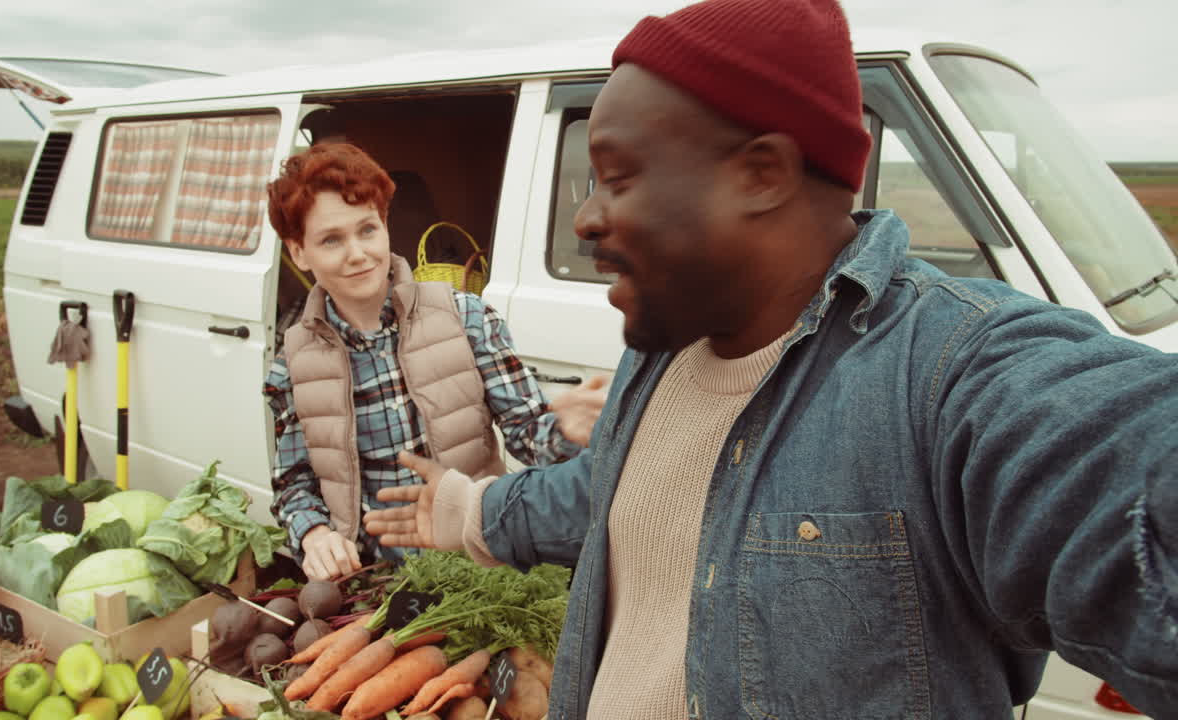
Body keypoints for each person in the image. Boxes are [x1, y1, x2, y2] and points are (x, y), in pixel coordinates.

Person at [361, 1, 1178, 718]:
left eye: (617, 177)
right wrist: (474, 511)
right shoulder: (669, 346)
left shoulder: (947, 373)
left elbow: (1116, 471)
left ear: (761, 175)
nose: (586, 218)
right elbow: (621, 495)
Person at [263, 142, 606, 581]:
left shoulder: (466, 318)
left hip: (478, 570)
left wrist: (566, 431)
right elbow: (293, 482)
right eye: (331, 240)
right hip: (374, 583)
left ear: (385, 225)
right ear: (298, 252)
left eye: (367, 229)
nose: (357, 253)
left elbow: (527, 434)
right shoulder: (292, 364)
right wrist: (313, 534)